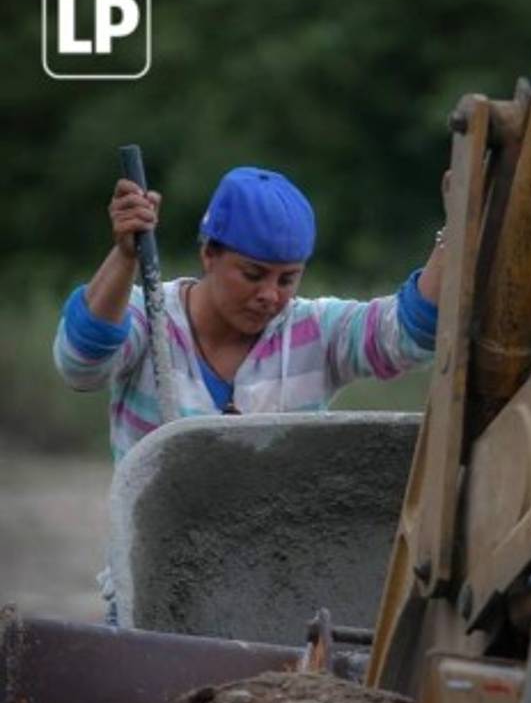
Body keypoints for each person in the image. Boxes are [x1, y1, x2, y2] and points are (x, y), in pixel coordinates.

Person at [53, 166, 444, 618]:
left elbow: (410, 334)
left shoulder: (315, 332)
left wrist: (452, 233)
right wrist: (125, 256)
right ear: (209, 254)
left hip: (278, 596)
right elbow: (79, 365)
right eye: (253, 274)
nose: (270, 296)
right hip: (155, 591)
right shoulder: (147, 315)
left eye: (287, 279)